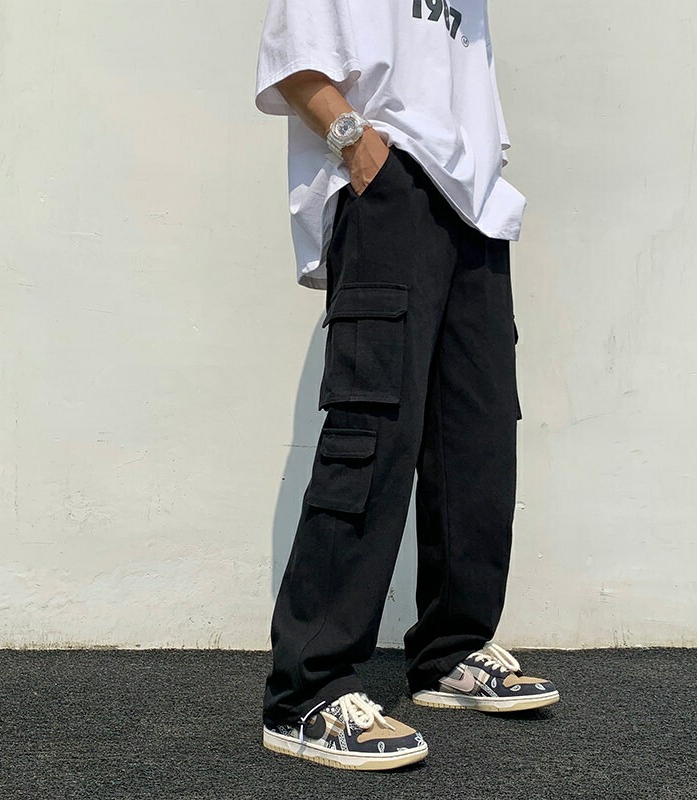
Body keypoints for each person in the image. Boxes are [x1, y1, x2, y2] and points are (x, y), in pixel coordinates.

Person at [253, 0, 560, 771]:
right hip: (393, 185)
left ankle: (451, 648)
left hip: (475, 208)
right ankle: (307, 691)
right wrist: (358, 148)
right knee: (373, 429)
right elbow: (295, 59)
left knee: (477, 434)